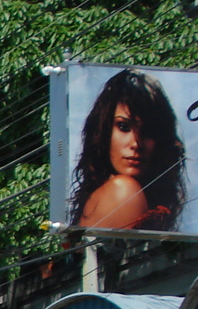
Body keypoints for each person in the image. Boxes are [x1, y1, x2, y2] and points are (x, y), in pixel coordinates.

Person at [69, 69, 186, 231]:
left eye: (148, 131)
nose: (135, 144)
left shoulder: (109, 191)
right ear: (104, 132)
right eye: (124, 127)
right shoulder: (123, 190)